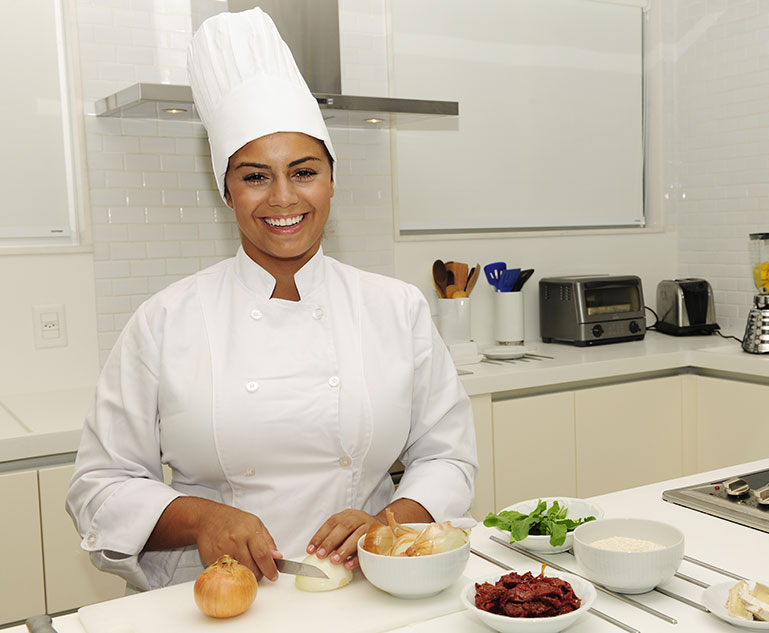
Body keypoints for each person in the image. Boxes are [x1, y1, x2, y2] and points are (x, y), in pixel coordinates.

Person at [66, 8, 478, 593]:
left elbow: (448, 456)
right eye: (255, 176)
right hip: (217, 597)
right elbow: (99, 485)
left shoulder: (395, 307)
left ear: (332, 181)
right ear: (226, 190)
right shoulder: (166, 320)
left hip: (370, 589)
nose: (283, 198)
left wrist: (391, 525)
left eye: (303, 172)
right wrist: (203, 518)